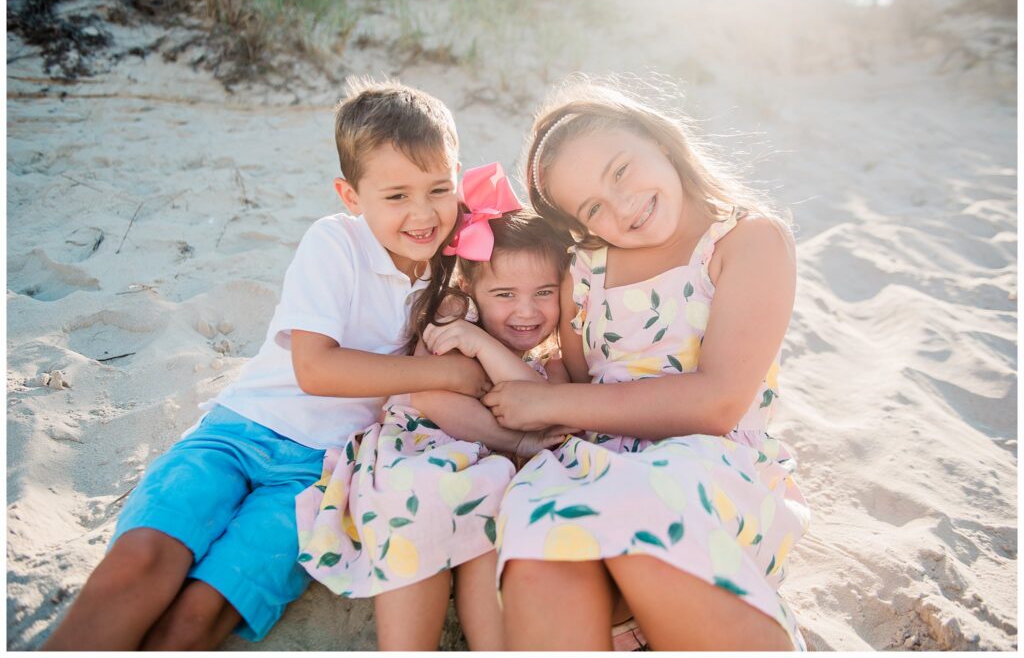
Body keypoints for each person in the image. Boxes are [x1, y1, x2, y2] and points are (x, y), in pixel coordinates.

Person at [42, 77, 490, 650]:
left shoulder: (453, 271)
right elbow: (316, 369)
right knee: (142, 562)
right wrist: (445, 373)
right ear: (351, 197)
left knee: (203, 612)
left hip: (319, 476)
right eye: (396, 195)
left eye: (439, 189)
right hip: (239, 431)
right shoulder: (337, 243)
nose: (423, 213)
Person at [482, 76, 812, 650]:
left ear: (659, 140)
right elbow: (580, 373)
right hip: (597, 457)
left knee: (647, 507)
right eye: (593, 207)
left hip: (710, 463)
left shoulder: (744, 241)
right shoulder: (586, 267)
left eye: (621, 171)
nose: (622, 205)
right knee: (538, 544)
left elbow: (716, 402)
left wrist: (551, 402)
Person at [296, 168, 573, 650]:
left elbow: (543, 402)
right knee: (421, 499)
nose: (526, 312)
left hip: (492, 466)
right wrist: (514, 440)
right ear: (470, 287)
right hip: (423, 447)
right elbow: (430, 397)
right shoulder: (452, 314)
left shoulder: (552, 356)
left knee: (498, 515)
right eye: (504, 294)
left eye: (543, 294)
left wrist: (485, 350)